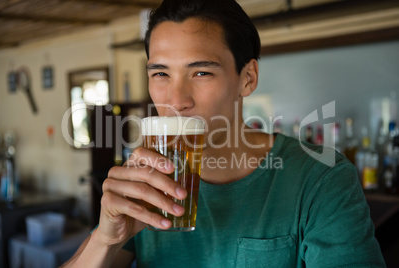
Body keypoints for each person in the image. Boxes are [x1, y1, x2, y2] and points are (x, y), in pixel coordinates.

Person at [63, 0, 385, 267]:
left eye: (201, 72)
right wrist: (106, 239)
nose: (176, 100)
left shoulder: (321, 179)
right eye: (161, 73)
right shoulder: (145, 181)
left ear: (247, 77)